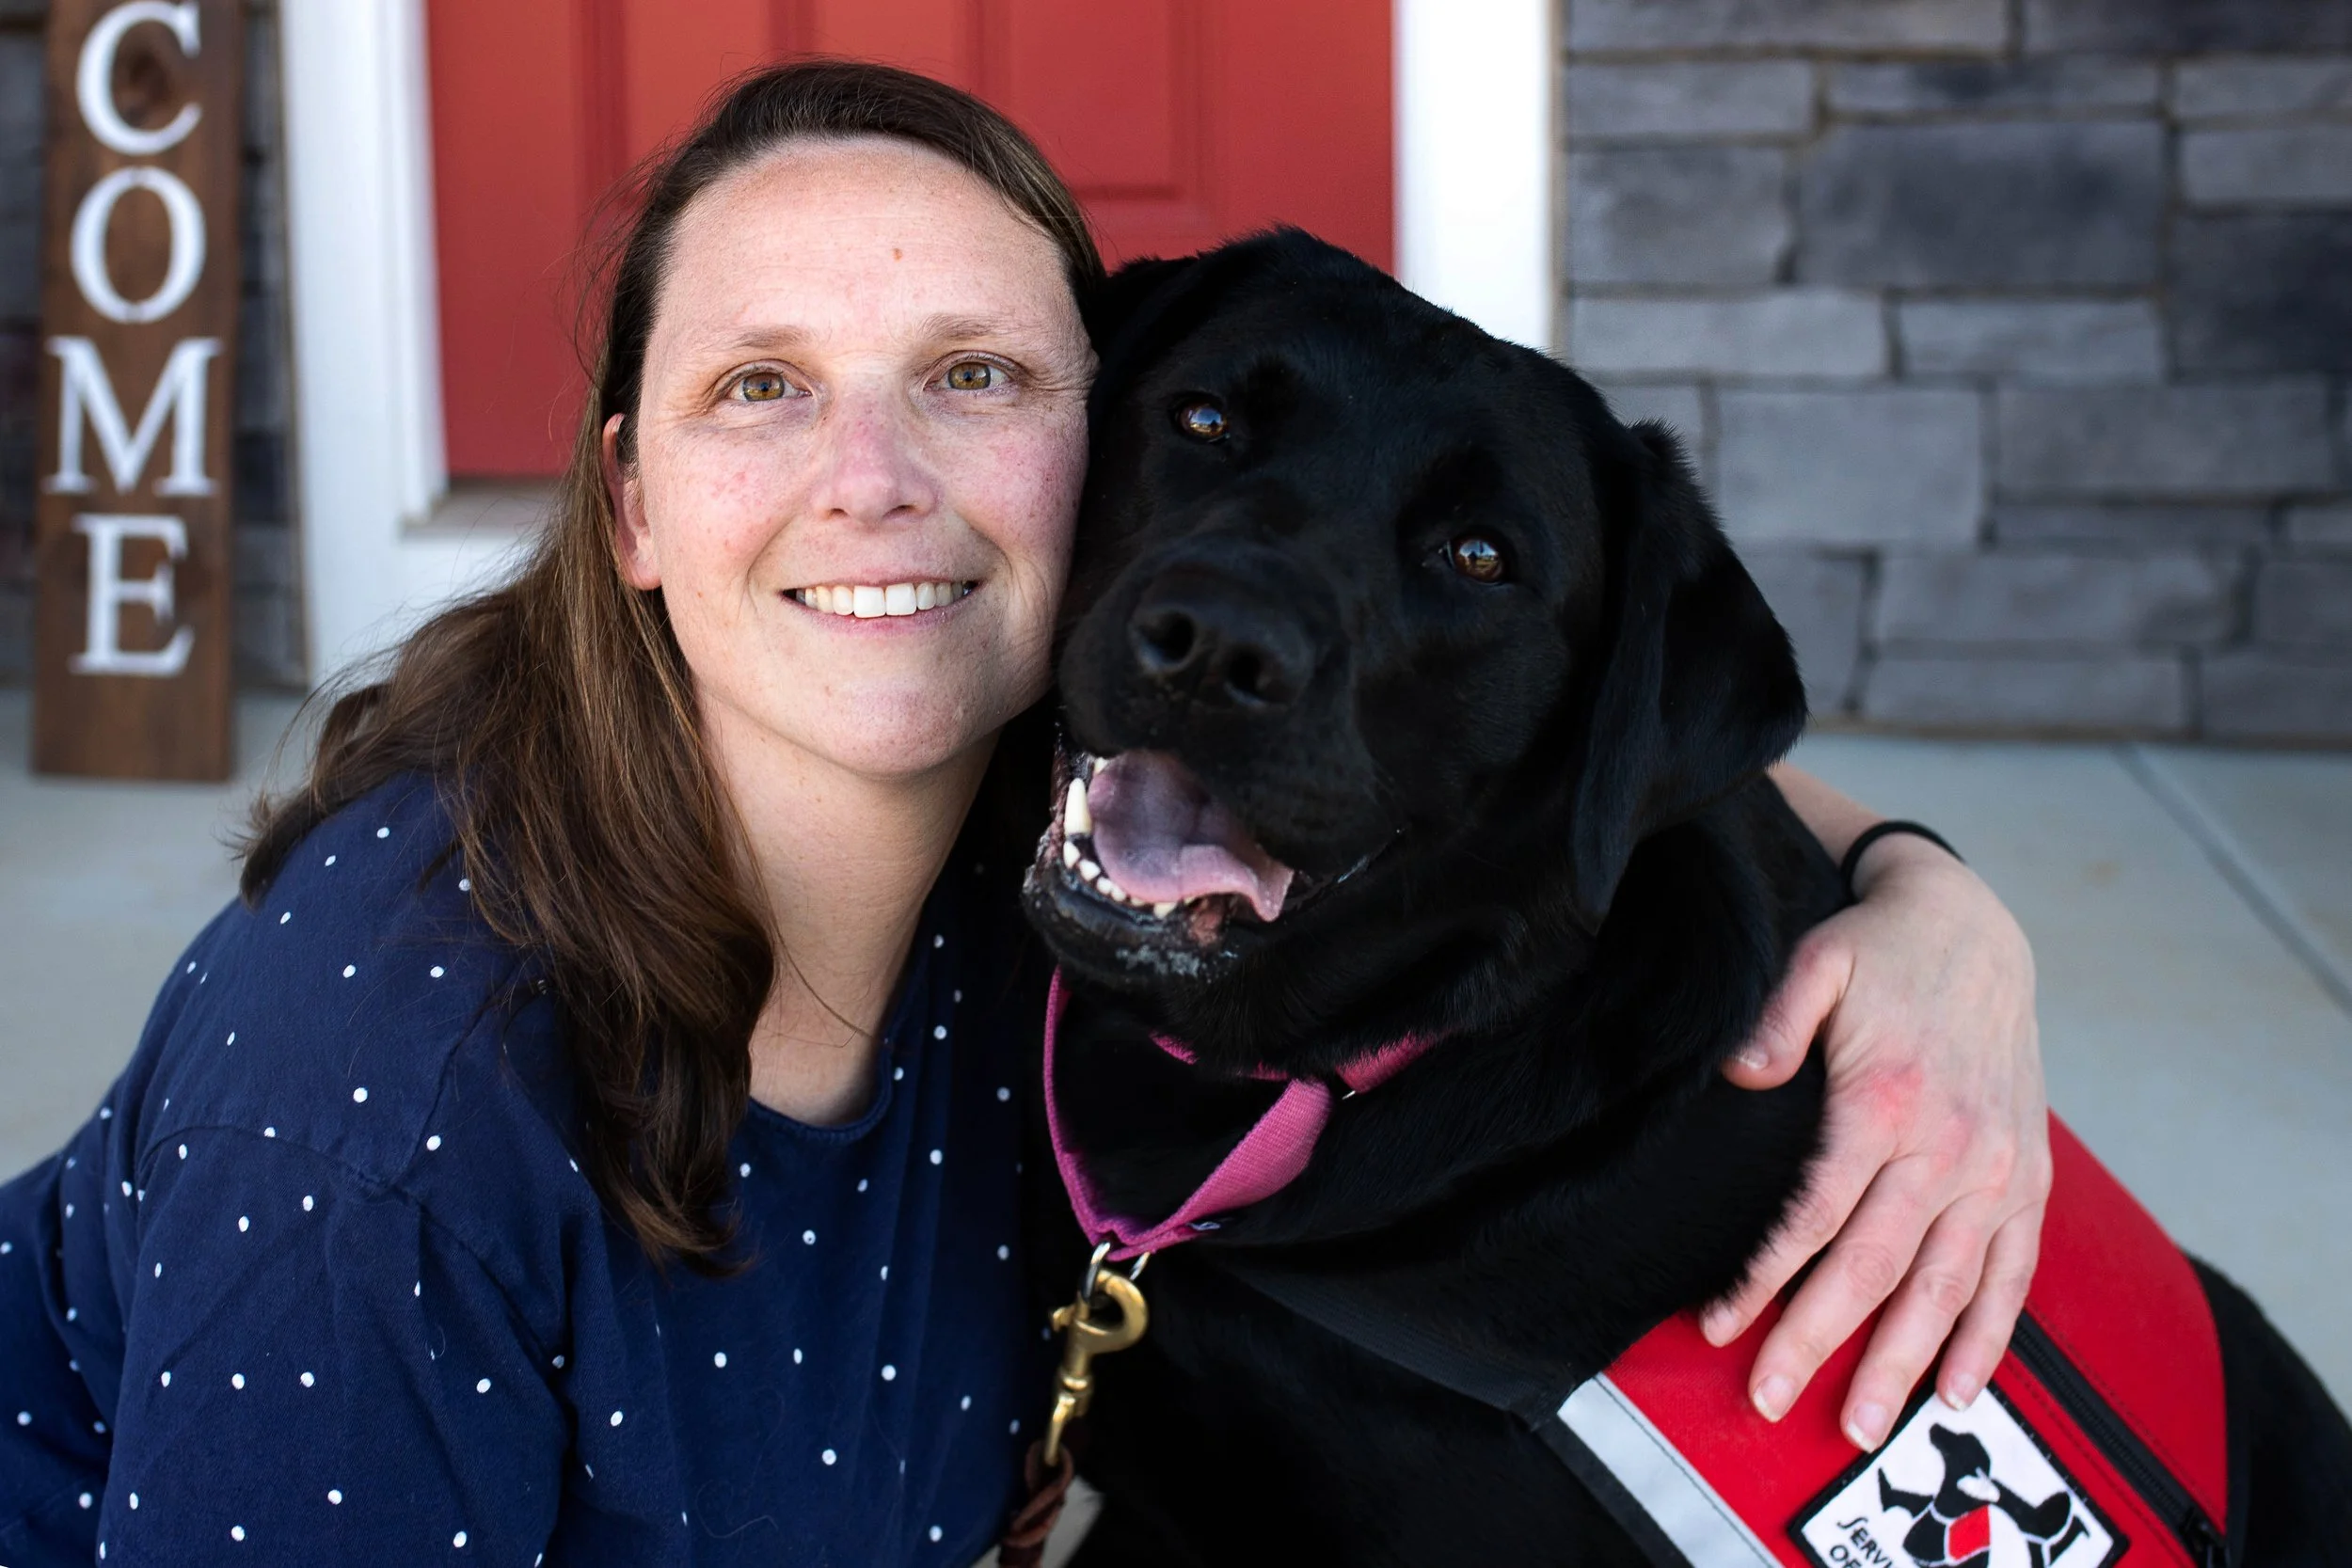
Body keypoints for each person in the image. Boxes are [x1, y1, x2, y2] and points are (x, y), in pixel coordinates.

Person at [0, 62, 2045, 1566]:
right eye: (760, 387)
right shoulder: (390, 1097)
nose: (876, 478)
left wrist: (1926, 903)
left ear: (1078, 453)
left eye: (973, 376)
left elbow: (1604, 736)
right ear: (624, 502)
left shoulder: (1044, 816)